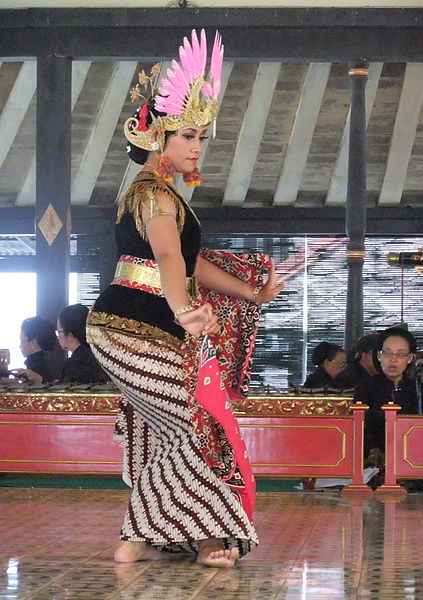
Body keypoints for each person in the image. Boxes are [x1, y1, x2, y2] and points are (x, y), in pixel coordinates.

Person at [87, 30, 284, 568]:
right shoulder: (152, 192)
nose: (197, 145)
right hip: (134, 324)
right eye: (186, 135)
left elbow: (191, 264)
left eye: (202, 136)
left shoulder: (166, 195)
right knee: (199, 421)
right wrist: (183, 310)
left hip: (140, 325)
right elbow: (170, 261)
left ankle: (167, 538)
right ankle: (171, 538)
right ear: (157, 137)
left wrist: (251, 292)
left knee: (174, 429)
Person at [354, 327, 423, 461]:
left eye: (400, 354)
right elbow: (359, 426)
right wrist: (372, 449)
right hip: (373, 461)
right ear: (379, 355)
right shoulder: (365, 387)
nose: (393, 360)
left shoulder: (421, 391)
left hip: (413, 460)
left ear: (409, 358)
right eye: (387, 353)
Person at [57, 304, 109, 384]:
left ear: (71, 335)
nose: (58, 337)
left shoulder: (74, 365)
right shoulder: (99, 357)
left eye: (59, 331)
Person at [14, 316, 57, 384]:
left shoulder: (35, 368)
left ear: (34, 341)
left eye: (22, 341)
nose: (20, 346)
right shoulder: (50, 361)